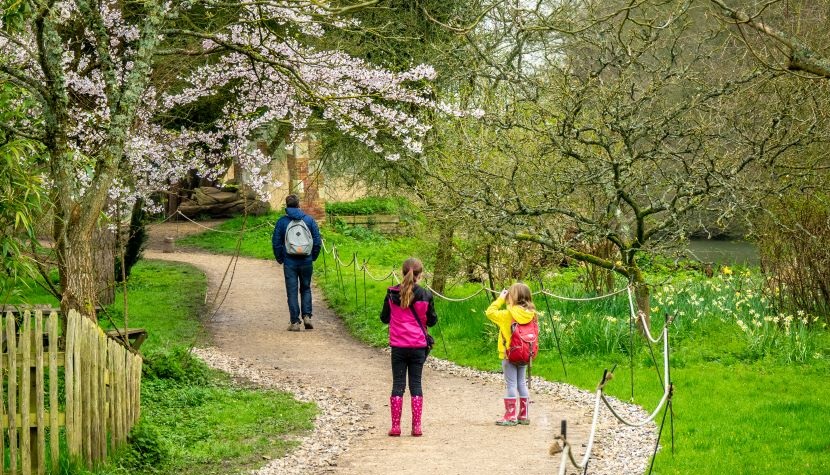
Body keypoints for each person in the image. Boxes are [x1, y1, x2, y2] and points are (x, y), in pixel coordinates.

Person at [380, 258, 437, 437]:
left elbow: (384, 318)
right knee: (416, 384)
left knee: (398, 384)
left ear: (402, 272)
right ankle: (416, 427)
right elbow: (433, 320)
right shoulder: (426, 295)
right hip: (418, 345)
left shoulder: (391, 294)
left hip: (398, 345)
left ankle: (396, 426)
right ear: (420, 275)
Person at [485, 282, 537, 426]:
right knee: (521, 383)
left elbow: (489, 312)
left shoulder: (507, 314)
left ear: (511, 297)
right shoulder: (531, 314)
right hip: (525, 353)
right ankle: (523, 415)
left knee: (511, 384)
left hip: (509, 354)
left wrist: (501, 299)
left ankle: (510, 416)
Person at [272, 194, 322, 331]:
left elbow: (276, 242)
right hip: (306, 260)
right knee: (306, 288)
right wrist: (312, 257)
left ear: (286, 206)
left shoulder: (282, 222)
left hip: (290, 261)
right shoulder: (309, 220)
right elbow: (317, 241)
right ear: (299, 204)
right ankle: (307, 316)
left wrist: (280, 258)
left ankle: (295, 322)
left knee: (292, 291)